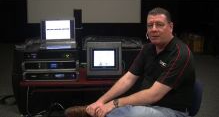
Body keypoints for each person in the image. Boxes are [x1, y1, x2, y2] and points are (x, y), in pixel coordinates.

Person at [66, 7, 196, 117]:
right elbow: (128, 78)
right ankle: (96, 109)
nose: (154, 29)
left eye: (159, 24)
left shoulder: (180, 54)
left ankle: (95, 113)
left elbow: (153, 95)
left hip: (172, 111)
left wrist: (114, 103)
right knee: (120, 109)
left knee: (126, 113)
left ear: (171, 26)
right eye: (150, 25)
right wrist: (101, 101)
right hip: (148, 104)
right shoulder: (148, 48)